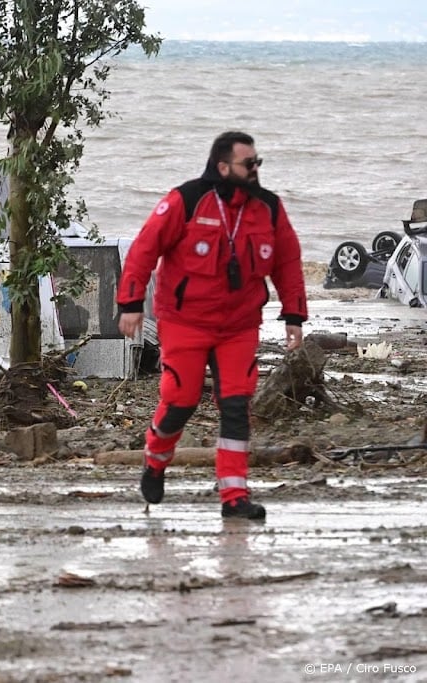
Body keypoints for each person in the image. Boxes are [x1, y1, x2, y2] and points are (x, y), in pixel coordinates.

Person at [116, 131, 308, 520]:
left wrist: (294, 315)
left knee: (236, 406)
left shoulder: (269, 208)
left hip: (238, 325)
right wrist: (131, 304)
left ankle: (234, 497)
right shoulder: (186, 200)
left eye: (258, 163)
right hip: (185, 321)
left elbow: (288, 261)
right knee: (179, 401)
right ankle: (155, 462)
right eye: (248, 163)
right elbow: (144, 249)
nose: (255, 170)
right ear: (224, 167)